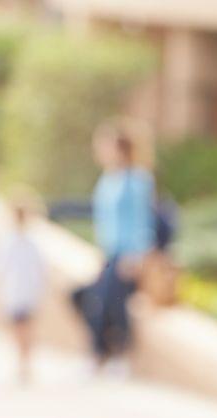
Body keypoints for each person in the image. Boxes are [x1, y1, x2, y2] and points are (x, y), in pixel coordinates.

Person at [85, 123, 155, 377]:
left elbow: (142, 220)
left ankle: (115, 355)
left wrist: (137, 256)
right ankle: (99, 353)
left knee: (112, 300)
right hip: (109, 252)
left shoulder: (137, 180)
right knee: (86, 297)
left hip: (128, 255)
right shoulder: (107, 180)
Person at [0, 191, 46, 385]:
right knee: (18, 328)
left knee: (25, 328)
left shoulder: (31, 242)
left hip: (27, 292)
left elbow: (40, 270)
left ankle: (24, 362)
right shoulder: (3, 240)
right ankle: (22, 362)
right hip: (12, 292)